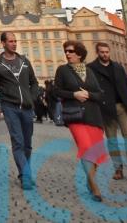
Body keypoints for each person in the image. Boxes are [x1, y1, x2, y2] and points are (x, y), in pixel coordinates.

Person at [54, 41, 109, 201]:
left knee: (96, 152)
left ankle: (89, 180)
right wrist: (74, 95)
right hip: (75, 115)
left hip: (94, 115)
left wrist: (89, 95)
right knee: (86, 148)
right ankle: (95, 188)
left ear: (79, 54)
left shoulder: (89, 71)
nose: (67, 53)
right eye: (66, 51)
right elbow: (56, 91)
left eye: (70, 51)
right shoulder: (63, 70)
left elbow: (99, 93)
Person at [86, 42, 127, 182]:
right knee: (112, 140)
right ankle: (118, 169)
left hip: (122, 106)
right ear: (97, 52)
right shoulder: (91, 68)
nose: (105, 54)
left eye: (107, 52)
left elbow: (125, 86)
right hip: (106, 108)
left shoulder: (118, 66)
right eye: (102, 52)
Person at [0, 32, 39, 189]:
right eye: (10, 41)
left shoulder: (24, 61)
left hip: (27, 107)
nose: (14, 43)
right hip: (9, 106)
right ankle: (26, 175)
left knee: (28, 143)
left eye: (15, 41)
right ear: (3, 43)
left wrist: (32, 98)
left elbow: (34, 82)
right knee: (18, 141)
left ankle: (24, 172)